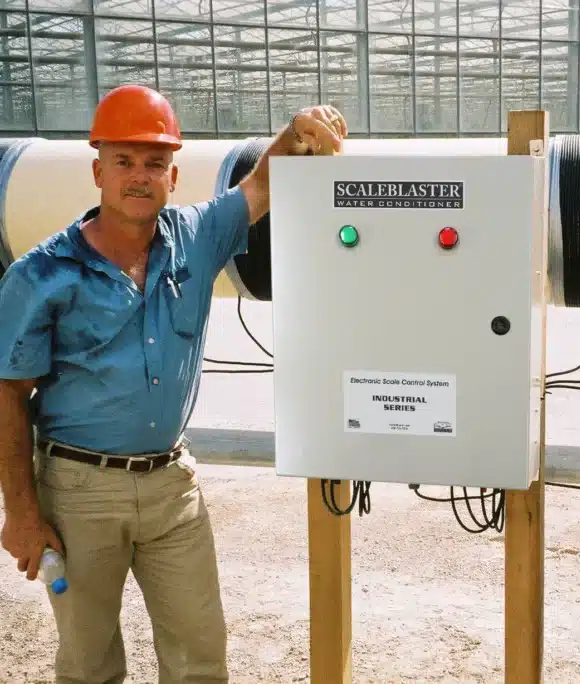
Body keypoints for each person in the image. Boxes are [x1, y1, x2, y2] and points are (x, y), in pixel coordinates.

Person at [0, 84, 347, 683]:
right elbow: (8, 392)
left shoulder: (196, 237)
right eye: (124, 162)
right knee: (89, 664)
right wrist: (22, 513)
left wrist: (297, 133)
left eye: (154, 163)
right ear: (97, 171)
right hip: (80, 489)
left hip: (172, 488)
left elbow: (260, 186)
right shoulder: (43, 274)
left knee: (201, 657)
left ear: (173, 175)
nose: (140, 177)